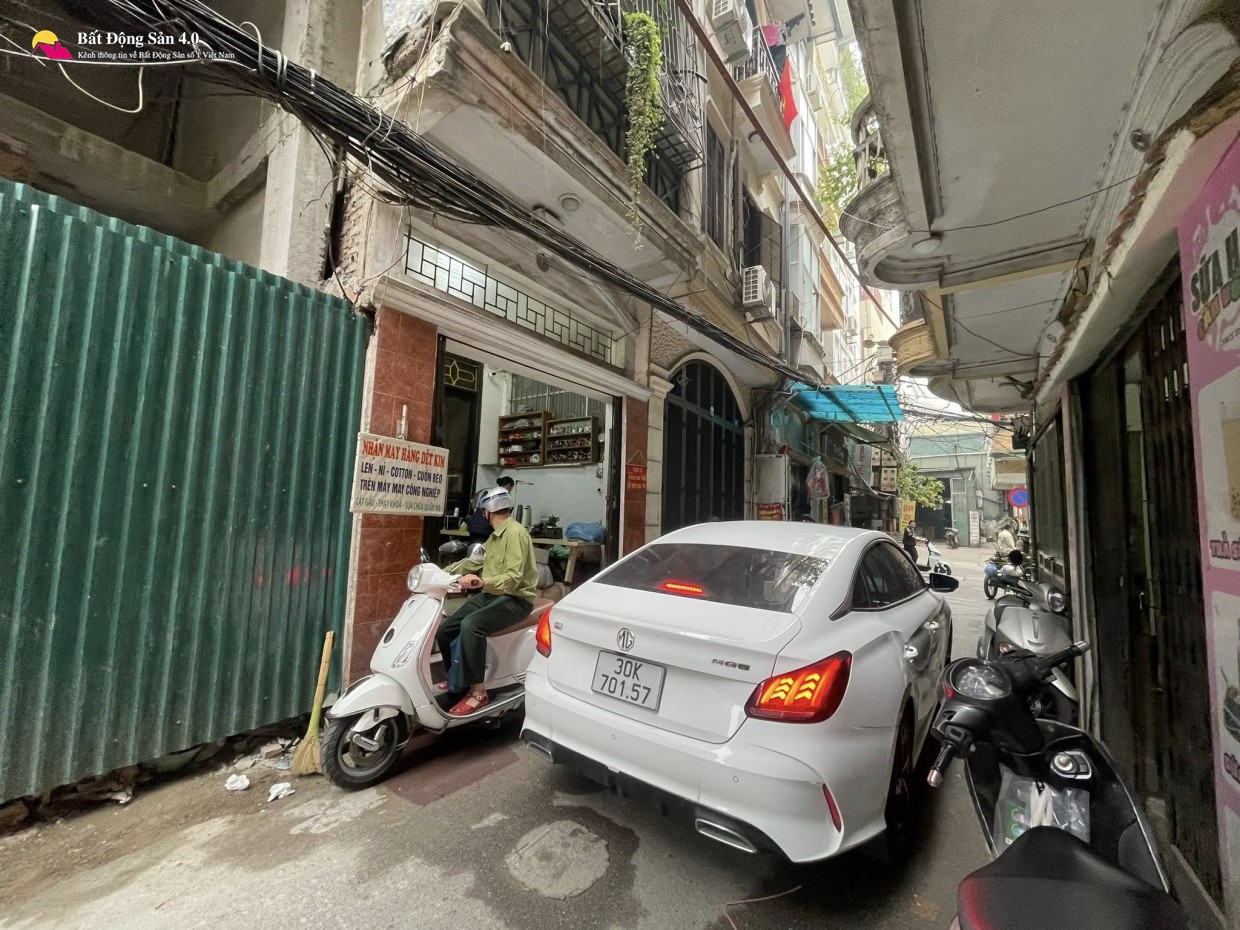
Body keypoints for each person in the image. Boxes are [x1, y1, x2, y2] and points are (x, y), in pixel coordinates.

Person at [438, 485, 538, 716]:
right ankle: (457, 678)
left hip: (516, 600)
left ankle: (478, 692)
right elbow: (472, 563)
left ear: (487, 511)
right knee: (445, 630)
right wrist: (440, 573)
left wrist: (482, 582)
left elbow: (513, 579)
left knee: (471, 625)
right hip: (491, 595)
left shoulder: (515, 534)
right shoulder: (494, 538)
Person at [467, 476, 515, 545]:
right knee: (485, 549)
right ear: (509, 485)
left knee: (474, 549)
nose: (511, 490)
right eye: (511, 488)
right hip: (485, 528)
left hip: (474, 527)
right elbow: (500, 515)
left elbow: (474, 506)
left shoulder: (489, 492)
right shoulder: (503, 495)